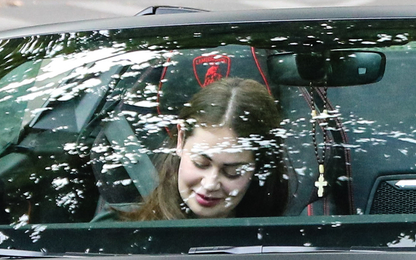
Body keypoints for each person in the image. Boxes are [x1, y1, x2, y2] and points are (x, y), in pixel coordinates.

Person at [121, 77, 290, 220]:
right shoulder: (116, 234)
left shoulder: (290, 243)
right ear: (181, 139)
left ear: (259, 168)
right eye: (200, 163)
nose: (210, 184)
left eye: (233, 172)